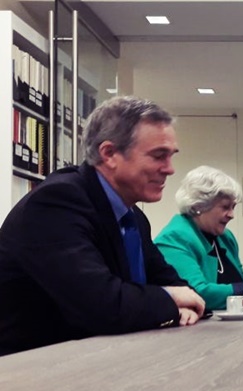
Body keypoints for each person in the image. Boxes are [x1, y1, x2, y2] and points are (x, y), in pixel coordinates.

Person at [0, 96, 205, 356]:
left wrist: (176, 299)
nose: (170, 169)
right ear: (109, 154)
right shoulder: (56, 203)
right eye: (158, 156)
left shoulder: (133, 217)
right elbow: (102, 306)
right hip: (31, 367)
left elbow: (183, 290)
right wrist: (172, 300)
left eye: (171, 156)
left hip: (99, 358)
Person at [155, 166, 243, 311]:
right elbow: (196, 294)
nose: (231, 215)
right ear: (198, 206)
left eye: (233, 207)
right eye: (225, 207)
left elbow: (242, 285)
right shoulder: (173, 239)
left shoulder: (226, 238)